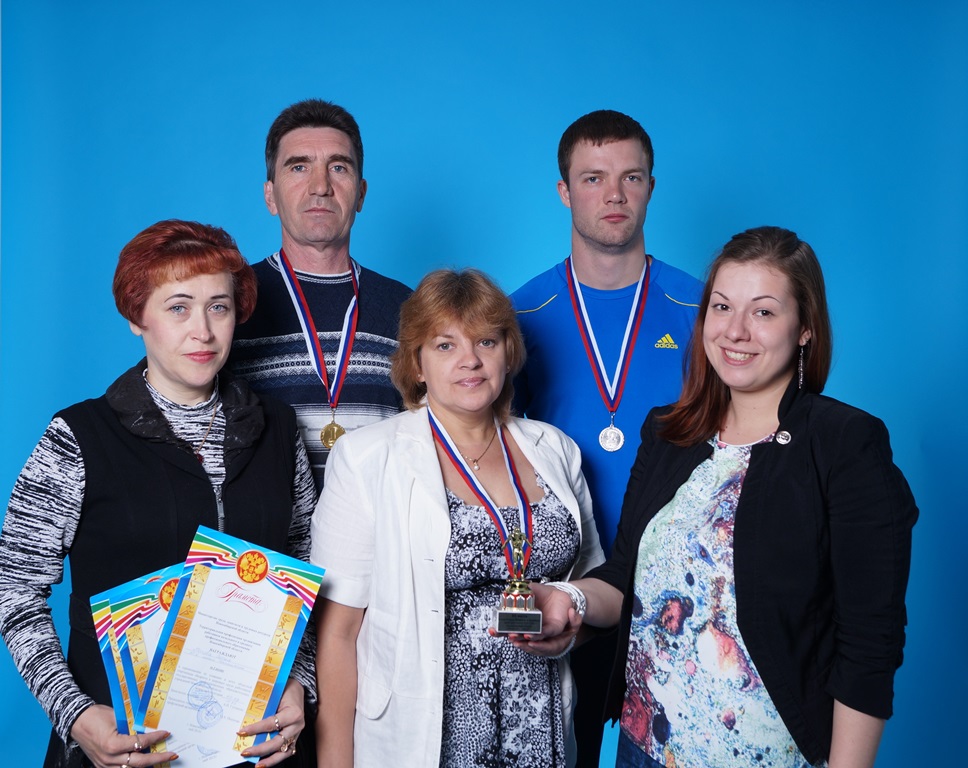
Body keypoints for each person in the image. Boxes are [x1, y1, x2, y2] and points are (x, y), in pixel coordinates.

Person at [517, 227, 918, 768]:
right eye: (722, 307)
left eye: (763, 312)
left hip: (763, 755)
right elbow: (622, 574)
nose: (735, 330)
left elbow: (869, 643)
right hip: (645, 747)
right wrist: (569, 601)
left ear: (805, 328)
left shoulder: (845, 445)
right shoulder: (668, 434)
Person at [0, 220, 318, 768]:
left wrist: (301, 684)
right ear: (136, 316)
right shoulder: (78, 437)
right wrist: (75, 715)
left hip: (252, 746)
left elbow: (306, 574)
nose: (203, 331)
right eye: (178, 308)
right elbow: (14, 591)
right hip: (119, 746)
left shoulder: (280, 430)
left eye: (218, 307)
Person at [310, 269, 605, 767]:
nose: (470, 360)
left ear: (508, 352)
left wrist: (567, 627)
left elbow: (592, 591)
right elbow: (338, 634)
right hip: (424, 737)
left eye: (486, 341)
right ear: (417, 363)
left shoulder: (555, 449)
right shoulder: (367, 458)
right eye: (445, 345)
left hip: (541, 730)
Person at [511, 109, 702, 763]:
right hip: (569, 588)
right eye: (593, 178)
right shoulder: (517, 316)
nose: (614, 195)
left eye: (631, 177)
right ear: (564, 191)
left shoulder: (707, 311)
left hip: (674, 590)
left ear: (651, 186)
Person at [230, 98, 411, 493]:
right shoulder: (229, 302)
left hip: (379, 527)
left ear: (360, 194)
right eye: (299, 167)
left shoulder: (409, 308)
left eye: (338, 167)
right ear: (270, 196)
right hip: (267, 531)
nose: (320, 187)